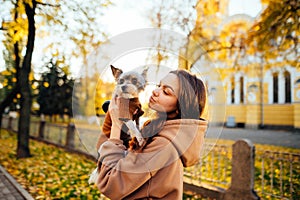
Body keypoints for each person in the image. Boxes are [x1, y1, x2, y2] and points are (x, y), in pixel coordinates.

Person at [96, 69, 208, 200]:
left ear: (180, 106)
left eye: (166, 92)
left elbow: (111, 184)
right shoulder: (160, 132)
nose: (156, 91)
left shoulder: (163, 144)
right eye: (159, 86)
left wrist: (116, 124)